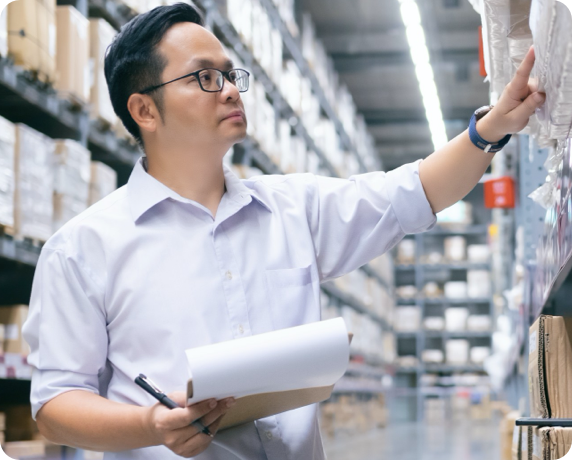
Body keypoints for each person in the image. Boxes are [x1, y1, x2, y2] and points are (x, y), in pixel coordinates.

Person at [22, 2, 545, 459]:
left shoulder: (293, 209)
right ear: (144, 110)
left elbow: (410, 193)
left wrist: (491, 128)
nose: (229, 90)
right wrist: (150, 425)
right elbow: (56, 403)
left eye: (231, 74)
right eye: (205, 77)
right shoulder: (82, 249)